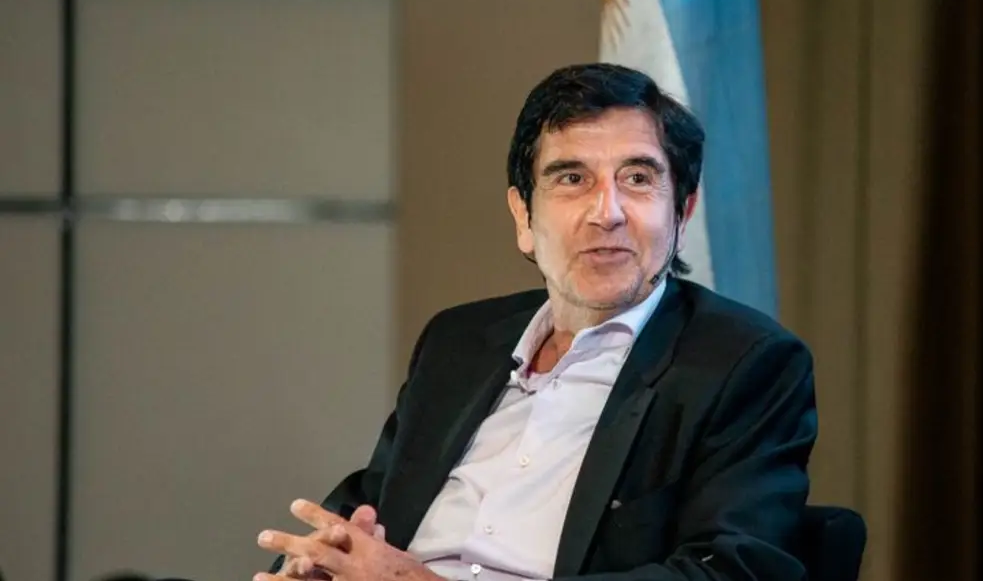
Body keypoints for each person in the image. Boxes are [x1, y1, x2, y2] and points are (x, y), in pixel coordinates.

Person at [254, 63, 818, 581]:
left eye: (637, 178)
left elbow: (733, 572)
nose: (607, 212)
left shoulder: (743, 363)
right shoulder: (458, 342)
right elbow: (369, 505)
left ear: (683, 213)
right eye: (572, 179)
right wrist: (320, 563)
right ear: (523, 216)